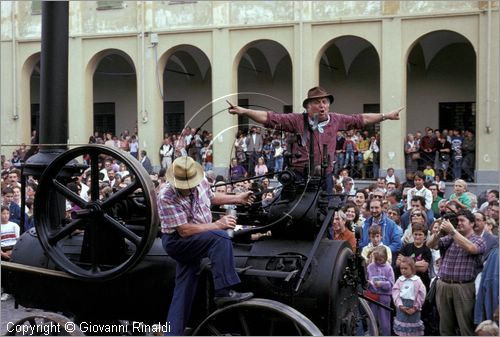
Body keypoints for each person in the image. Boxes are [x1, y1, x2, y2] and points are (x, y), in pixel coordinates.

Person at [227, 87, 404, 193]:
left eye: (325, 102)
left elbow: (361, 119)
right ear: (308, 106)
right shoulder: (297, 120)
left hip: (324, 177)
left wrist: (385, 116)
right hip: (298, 176)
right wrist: (244, 112)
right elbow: (270, 118)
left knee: (325, 213)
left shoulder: (336, 119)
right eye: (317, 102)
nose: (322, 106)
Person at [157, 156, 255, 336]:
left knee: (184, 290)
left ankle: (172, 334)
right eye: (183, 186)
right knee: (220, 238)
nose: (187, 188)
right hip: (178, 242)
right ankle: (224, 292)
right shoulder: (166, 196)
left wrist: (238, 198)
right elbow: (185, 231)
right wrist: (218, 225)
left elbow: (212, 197)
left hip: (196, 238)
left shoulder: (201, 181)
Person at [427, 209, 486, 335]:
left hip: (463, 287)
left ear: (472, 223)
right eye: (457, 220)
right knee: (445, 327)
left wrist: (452, 231)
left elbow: (471, 248)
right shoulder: (450, 237)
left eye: (462, 220)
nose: (458, 223)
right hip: (443, 285)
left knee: (465, 327)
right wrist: (439, 233)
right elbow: (430, 244)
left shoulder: (478, 240)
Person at [392, 256, 427, 336]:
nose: (403, 271)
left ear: (412, 268)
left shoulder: (417, 281)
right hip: (402, 308)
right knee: (402, 330)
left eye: (406, 268)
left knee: (412, 331)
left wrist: (415, 307)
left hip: (413, 308)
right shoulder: (399, 280)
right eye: (401, 268)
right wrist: (400, 305)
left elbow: (421, 295)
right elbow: (395, 292)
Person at [366, 246, 394, 336]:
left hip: (384, 297)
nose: (378, 262)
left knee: (384, 320)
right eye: (376, 259)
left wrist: (381, 284)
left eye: (380, 260)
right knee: (372, 319)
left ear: (385, 258)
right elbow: (366, 280)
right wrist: (368, 283)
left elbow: (391, 284)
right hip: (372, 296)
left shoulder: (388, 268)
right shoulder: (370, 267)